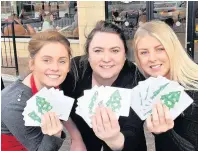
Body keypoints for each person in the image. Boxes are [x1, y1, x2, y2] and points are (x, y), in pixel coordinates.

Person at [61, 20, 147, 151]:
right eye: (98, 50)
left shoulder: (136, 80)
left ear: (124, 55)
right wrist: (75, 137)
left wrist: (114, 140)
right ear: (88, 55)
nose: (106, 58)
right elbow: (61, 103)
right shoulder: (75, 71)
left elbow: (133, 130)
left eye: (115, 50)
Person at [1, 31, 84, 151]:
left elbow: (62, 109)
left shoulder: (53, 82)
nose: (55, 68)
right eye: (46, 60)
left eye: (62, 61)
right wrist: (54, 136)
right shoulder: (14, 105)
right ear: (32, 64)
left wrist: (77, 138)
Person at [133, 20, 198, 151]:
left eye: (160, 49)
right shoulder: (151, 88)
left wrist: (164, 133)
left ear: (172, 48)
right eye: (144, 52)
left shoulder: (194, 90)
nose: (152, 58)